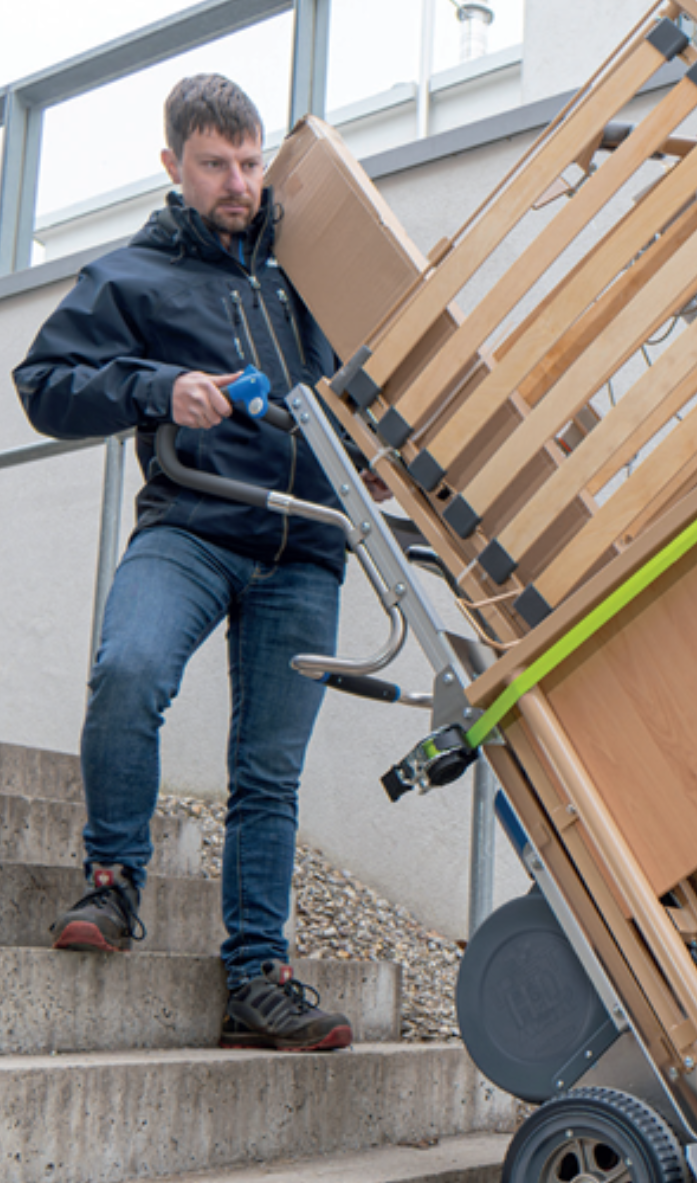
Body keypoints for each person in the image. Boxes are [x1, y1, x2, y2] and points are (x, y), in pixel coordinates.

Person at [13, 74, 370, 1052]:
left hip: (305, 547)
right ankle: (114, 882)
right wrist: (158, 388)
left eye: (251, 162)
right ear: (173, 165)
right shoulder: (134, 275)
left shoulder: (305, 266)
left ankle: (258, 977)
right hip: (195, 524)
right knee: (128, 670)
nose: (239, 182)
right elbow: (41, 385)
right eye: (215, 164)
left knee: (270, 772)